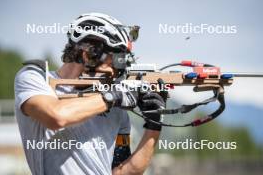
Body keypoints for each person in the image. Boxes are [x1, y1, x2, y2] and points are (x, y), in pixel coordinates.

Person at [14, 13, 165, 175]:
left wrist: (154, 126)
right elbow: (56, 116)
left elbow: (122, 172)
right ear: (89, 54)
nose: (118, 70)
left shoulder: (116, 106)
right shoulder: (35, 78)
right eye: (115, 59)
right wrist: (112, 96)